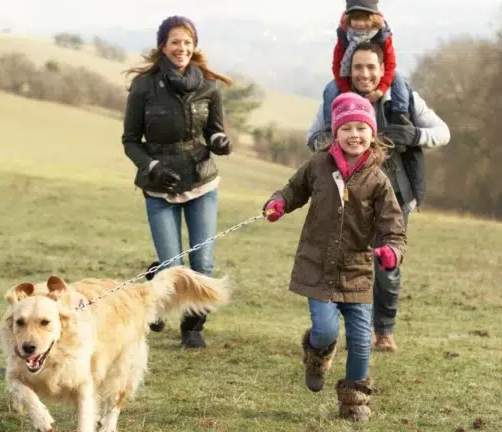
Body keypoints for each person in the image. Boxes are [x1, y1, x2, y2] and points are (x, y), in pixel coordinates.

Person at [262, 92, 406, 421]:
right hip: (317, 267)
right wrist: (278, 203)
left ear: (372, 133)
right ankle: (316, 356)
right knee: (325, 331)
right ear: (335, 133)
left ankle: (354, 400)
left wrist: (391, 252)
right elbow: (293, 189)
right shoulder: (318, 164)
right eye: (347, 128)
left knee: (360, 340)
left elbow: (394, 228)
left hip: (357, 272)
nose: (354, 135)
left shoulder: (378, 181)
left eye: (361, 128)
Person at [307, 41, 451, 353]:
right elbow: (313, 137)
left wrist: (414, 136)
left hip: (395, 195)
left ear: (384, 69)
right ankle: (359, 331)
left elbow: (443, 132)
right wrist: (332, 144)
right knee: (351, 263)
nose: (364, 73)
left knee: (387, 265)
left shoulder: (405, 99)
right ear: (349, 69)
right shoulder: (335, 98)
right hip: (348, 196)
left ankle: (384, 330)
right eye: (358, 67)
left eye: (371, 66)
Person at [121, 15, 233, 349]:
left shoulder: (209, 85)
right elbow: (129, 140)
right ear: (163, 46)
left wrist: (219, 142)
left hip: (201, 181)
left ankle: (192, 328)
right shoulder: (144, 86)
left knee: (203, 263)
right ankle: (158, 281)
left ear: (194, 46)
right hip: (159, 185)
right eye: (175, 42)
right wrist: (152, 166)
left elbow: (216, 130)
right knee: (173, 265)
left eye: (187, 42)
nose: (181, 48)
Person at [323, 0, 411, 127]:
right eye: (355, 19)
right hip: (350, 74)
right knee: (330, 89)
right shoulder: (344, 35)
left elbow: (390, 63)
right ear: (348, 19)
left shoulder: (382, 35)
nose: (360, 24)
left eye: (365, 19)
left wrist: (380, 90)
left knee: (400, 81)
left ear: (374, 18)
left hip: (381, 71)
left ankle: (400, 117)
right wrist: (347, 91)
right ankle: (328, 126)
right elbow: (337, 65)